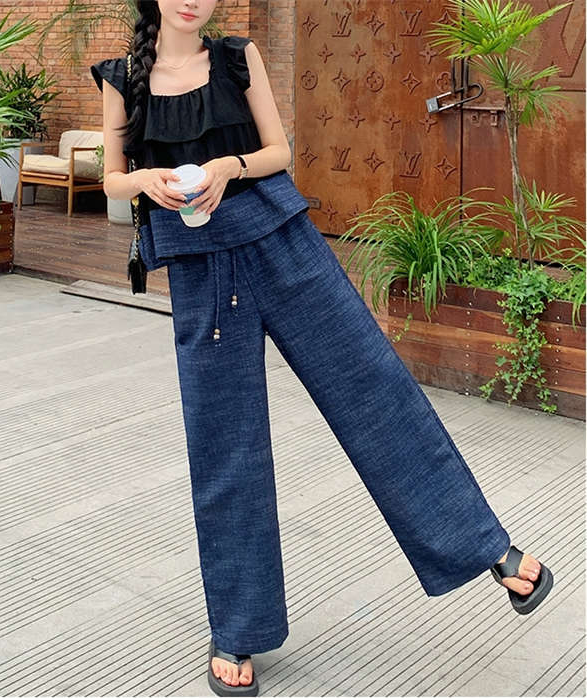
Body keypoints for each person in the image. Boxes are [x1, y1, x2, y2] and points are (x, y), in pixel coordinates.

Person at [91, 2, 554, 695]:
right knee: (224, 445)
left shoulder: (237, 57)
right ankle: (237, 627)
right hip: (200, 269)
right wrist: (145, 182)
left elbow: (279, 153)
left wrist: (229, 167)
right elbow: (111, 176)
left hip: (284, 245)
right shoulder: (121, 78)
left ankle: (485, 546)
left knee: (374, 388)